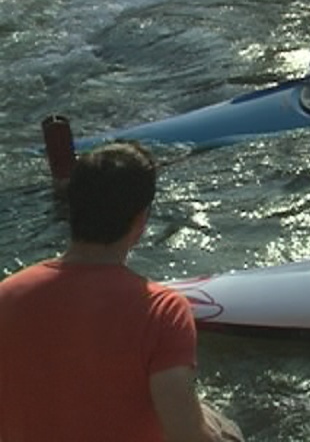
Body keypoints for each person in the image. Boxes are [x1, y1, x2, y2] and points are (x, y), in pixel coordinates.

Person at [0, 142, 241, 442]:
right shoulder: (161, 311)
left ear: (73, 208)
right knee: (222, 426)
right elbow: (186, 436)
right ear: (141, 219)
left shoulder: (7, 295)